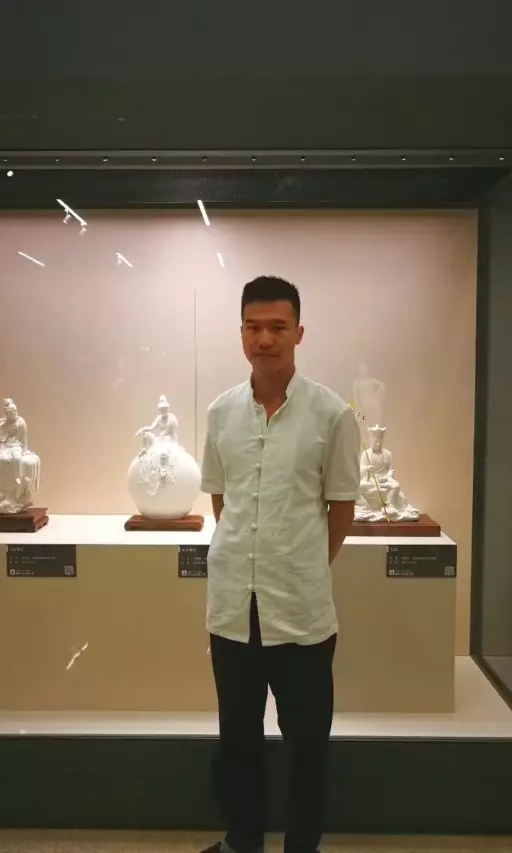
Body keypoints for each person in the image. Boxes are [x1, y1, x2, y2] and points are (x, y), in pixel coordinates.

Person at [200, 276, 361, 853]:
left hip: (301, 611)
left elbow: (340, 508)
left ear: (299, 332)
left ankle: (301, 847)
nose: (264, 339)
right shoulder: (221, 412)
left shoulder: (332, 414)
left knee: (308, 745)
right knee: (238, 741)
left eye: (277, 327)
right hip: (232, 609)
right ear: (241, 332)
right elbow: (222, 501)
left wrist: (301, 565)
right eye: (253, 327)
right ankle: (242, 840)